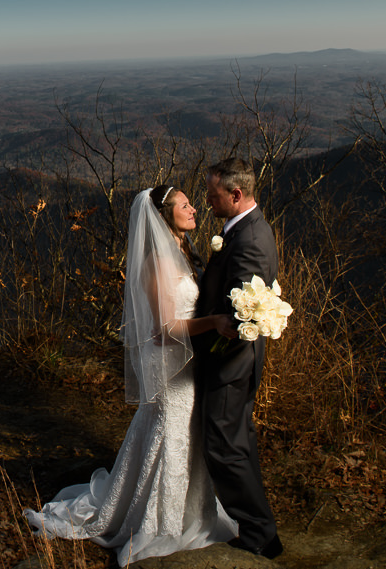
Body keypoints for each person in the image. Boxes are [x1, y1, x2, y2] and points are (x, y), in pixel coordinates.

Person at [24, 185, 238, 566]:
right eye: (184, 205)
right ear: (163, 215)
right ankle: (161, 521)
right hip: (172, 366)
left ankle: (192, 511)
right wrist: (215, 322)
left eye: (191, 203)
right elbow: (164, 328)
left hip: (190, 364)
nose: (194, 210)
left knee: (185, 433)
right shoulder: (158, 261)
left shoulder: (185, 252)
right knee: (172, 431)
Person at [194, 157, 283, 558]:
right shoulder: (245, 229)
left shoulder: (248, 240)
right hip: (237, 361)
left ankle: (259, 535)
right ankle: (260, 528)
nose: (207, 202)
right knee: (238, 443)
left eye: (213, 195)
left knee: (225, 447)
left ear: (235, 194)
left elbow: (239, 313)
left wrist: (211, 349)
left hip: (229, 362)